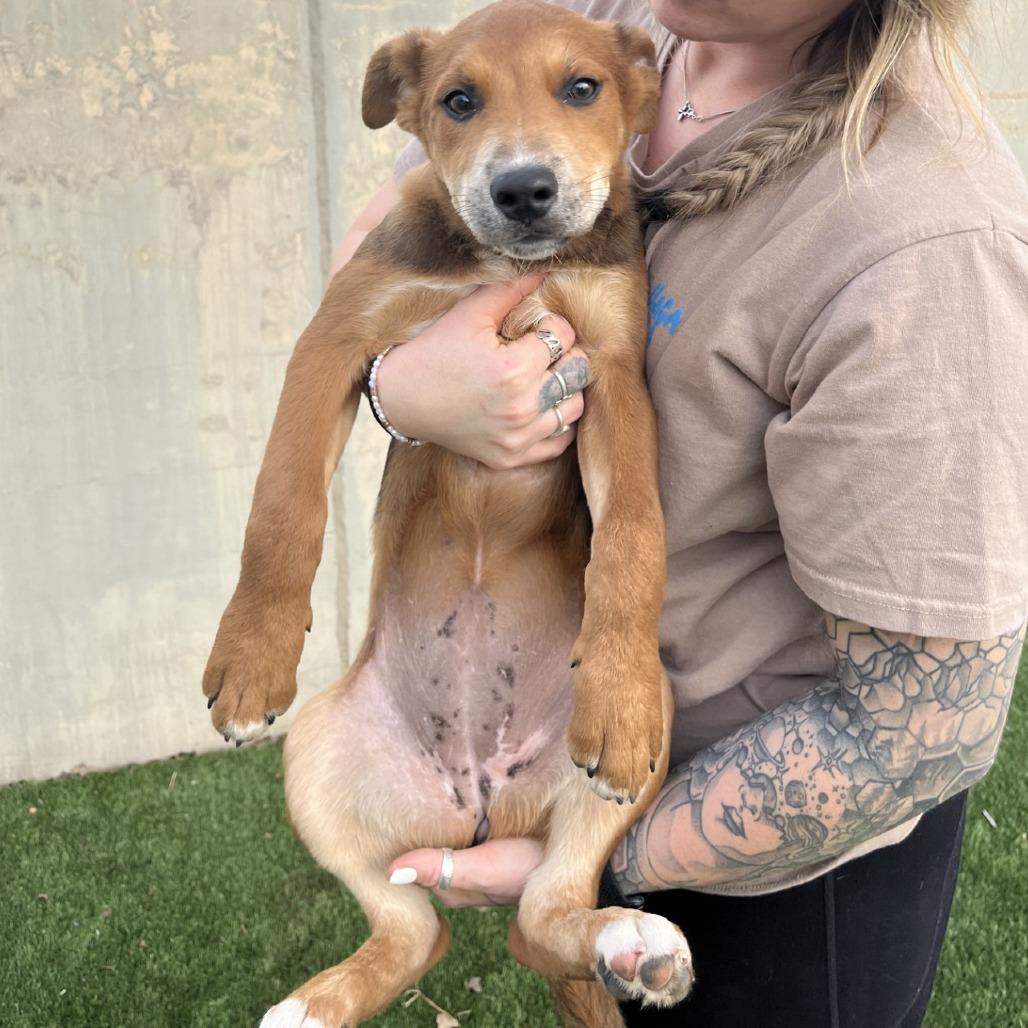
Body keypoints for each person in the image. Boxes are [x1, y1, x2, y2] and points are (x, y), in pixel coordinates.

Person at [331, 0, 1028, 1023]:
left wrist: (588, 861)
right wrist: (402, 383)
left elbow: (920, 730)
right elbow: (397, 221)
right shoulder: (619, 23)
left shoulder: (920, 245)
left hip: (781, 868)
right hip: (566, 726)